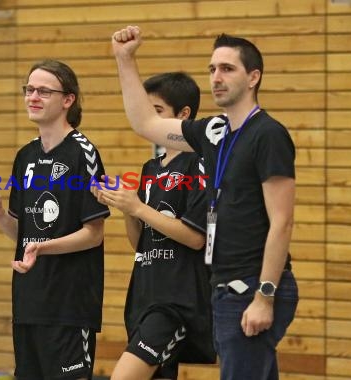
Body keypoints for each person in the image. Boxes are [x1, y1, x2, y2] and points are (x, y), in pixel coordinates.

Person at [111, 26, 299, 380]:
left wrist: (265, 295)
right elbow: (146, 122)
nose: (216, 77)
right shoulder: (214, 132)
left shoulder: (268, 134)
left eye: (227, 69)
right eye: (212, 69)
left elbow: (282, 222)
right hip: (224, 286)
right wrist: (125, 59)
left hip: (252, 286)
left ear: (253, 76)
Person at [0, 59, 110, 380]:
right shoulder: (26, 156)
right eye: (30, 89)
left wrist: (42, 248)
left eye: (44, 91)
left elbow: (93, 234)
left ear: (67, 100)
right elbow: (23, 235)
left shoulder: (83, 153)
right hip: (28, 304)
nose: (33, 97)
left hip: (69, 307)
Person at [92, 72, 215, 380]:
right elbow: (140, 243)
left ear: (183, 115)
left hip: (177, 303)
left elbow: (195, 238)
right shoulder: (150, 168)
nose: (149, 120)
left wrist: (138, 207)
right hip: (145, 296)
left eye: (156, 111)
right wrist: (125, 207)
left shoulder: (197, 163)